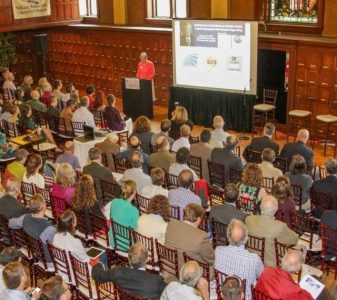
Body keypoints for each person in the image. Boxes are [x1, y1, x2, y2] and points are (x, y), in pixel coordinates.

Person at [92, 242, 166, 299]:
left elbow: (98, 276)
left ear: (129, 258)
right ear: (147, 259)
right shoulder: (156, 281)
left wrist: (98, 264)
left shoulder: (117, 272)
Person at [215, 219, 264, 300]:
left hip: (224, 293)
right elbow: (262, 277)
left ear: (228, 236)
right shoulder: (254, 259)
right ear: (246, 238)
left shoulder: (217, 250)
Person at [245, 195, 299, 267]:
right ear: (276, 209)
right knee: (301, 248)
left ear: (260, 207)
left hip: (251, 259)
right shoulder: (280, 226)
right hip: (271, 265)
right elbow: (295, 239)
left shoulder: (249, 220)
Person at [9, 193, 56, 263]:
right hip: (49, 261)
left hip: (35, 253)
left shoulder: (24, 218)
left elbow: (10, 224)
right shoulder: (49, 229)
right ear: (43, 206)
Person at [165, 204, 214, 268]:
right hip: (189, 271)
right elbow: (210, 260)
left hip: (169, 264)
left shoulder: (171, 223)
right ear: (198, 218)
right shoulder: (202, 236)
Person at [109, 180, 139, 249]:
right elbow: (135, 230)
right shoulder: (134, 210)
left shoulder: (114, 201)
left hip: (113, 240)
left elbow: (111, 217)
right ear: (134, 192)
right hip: (127, 245)